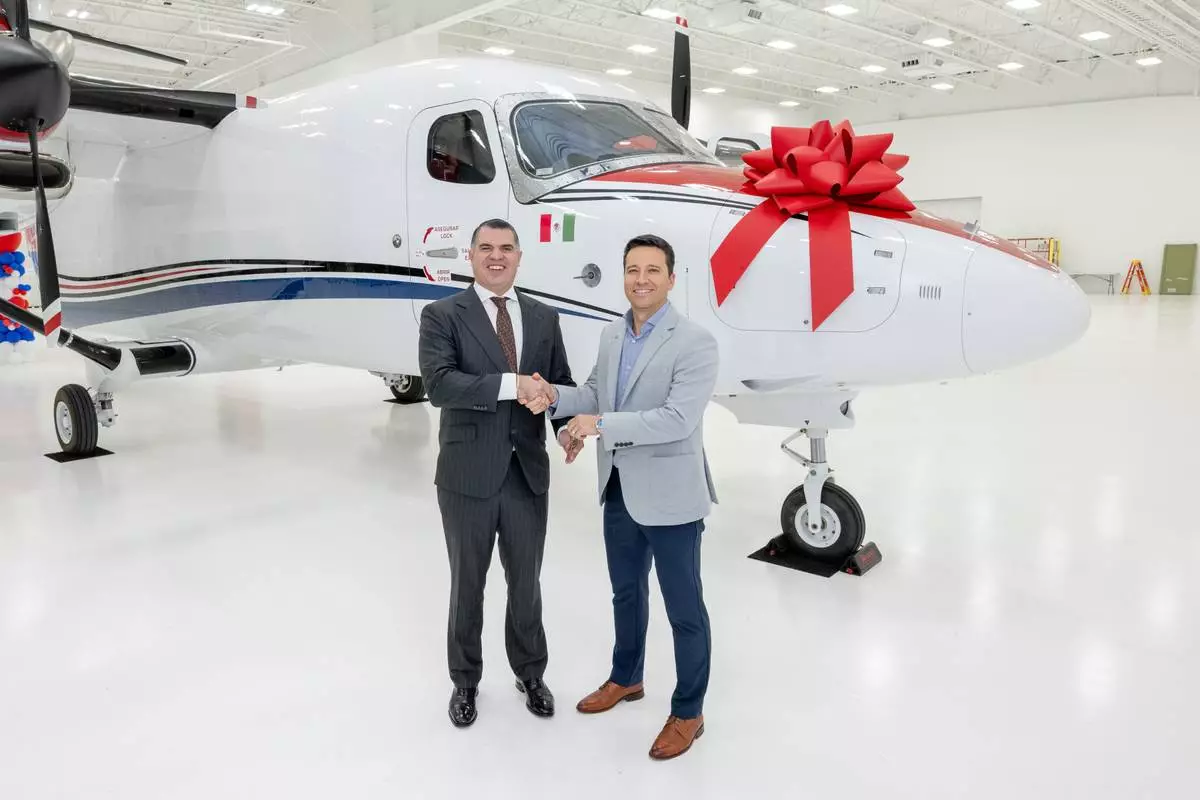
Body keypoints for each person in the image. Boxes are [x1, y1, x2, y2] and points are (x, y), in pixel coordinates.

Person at [521, 233, 719, 760]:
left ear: (671, 279)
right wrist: (556, 396)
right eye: (633, 269)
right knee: (626, 595)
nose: (641, 279)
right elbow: (593, 393)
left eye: (653, 270)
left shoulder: (695, 342)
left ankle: (689, 712)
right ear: (623, 276)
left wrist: (601, 425)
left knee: (685, 609)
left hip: (672, 497)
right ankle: (626, 677)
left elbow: (676, 420)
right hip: (618, 489)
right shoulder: (612, 335)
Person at [417, 218, 583, 729]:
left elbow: (558, 384)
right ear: (470, 256)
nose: (496, 256)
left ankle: (530, 673)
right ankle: (465, 681)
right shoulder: (442, 314)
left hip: (526, 474)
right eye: (486, 247)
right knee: (467, 584)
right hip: (467, 475)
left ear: (519, 256)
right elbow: (440, 385)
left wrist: (564, 428)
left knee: (526, 583)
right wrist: (514, 385)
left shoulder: (543, 317)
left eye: (506, 248)